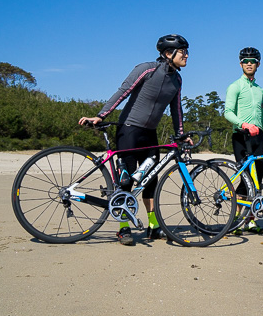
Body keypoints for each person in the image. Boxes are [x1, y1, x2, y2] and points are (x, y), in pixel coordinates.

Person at [78, 34, 191, 246]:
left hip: (150, 134)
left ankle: (153, 226)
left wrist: (181, 134)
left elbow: (176, 110)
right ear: (168, 53)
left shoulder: (177, 79)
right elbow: (123, 91)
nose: (186, 55)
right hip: (129, 130)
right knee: (126, 181)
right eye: (182, 51)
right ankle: (123, 228)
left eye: (187, 51)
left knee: (151, 181)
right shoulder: (146, 69)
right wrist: (101, 115)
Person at [224, 47, 263, 235]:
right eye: (245, 61)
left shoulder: (260, 90)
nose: (249, 63)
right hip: (241, 136)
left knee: (257, 180)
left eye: (253, 61)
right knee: (245, 177)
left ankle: (250, 220)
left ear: (258, 64)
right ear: (240, 64)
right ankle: (237, 220)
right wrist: (244, 124)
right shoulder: (235, 86)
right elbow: (227, 112)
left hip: (258, 139)